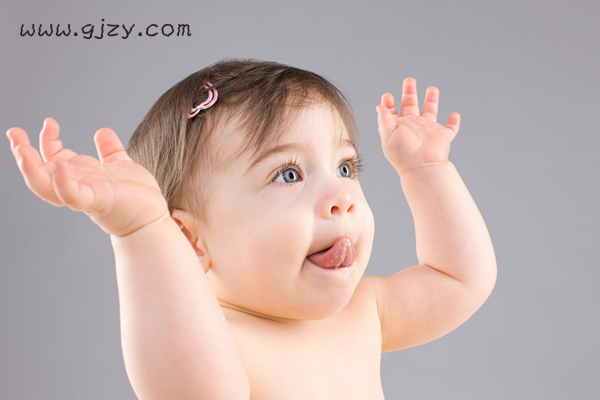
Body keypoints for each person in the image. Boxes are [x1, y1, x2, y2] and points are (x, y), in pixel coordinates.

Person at [6, 58, 497, 399]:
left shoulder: (363, 311)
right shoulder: (222, 343)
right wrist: (141, 233)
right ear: (190, 241)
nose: (342, 196)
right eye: (289, 175)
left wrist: (426, 171)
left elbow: (459, 279)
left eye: (345, 167)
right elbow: (185, 387)